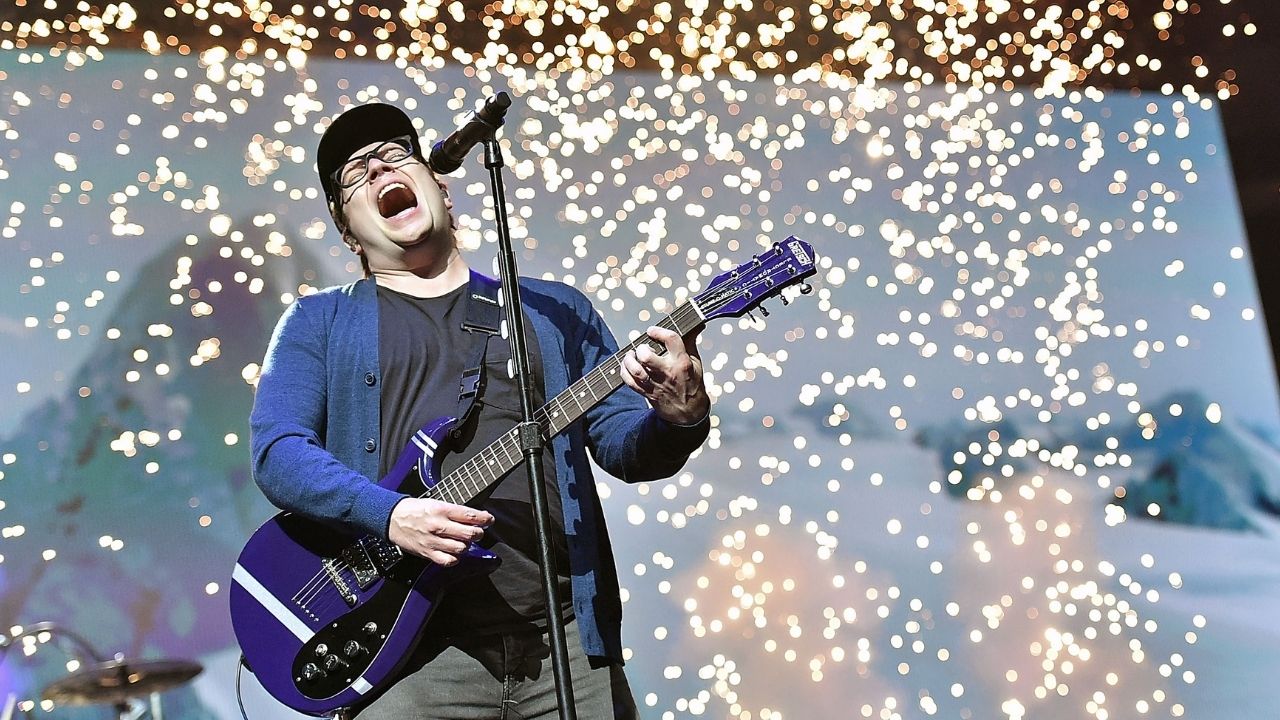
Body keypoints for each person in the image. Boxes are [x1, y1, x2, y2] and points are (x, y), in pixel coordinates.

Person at [249, 101, 711, 718]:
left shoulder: (551, 313)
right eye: (356, 174)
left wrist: (677, 419)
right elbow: (278, 454)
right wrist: (392, 516)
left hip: (564, 648)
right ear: (345, 226)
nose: (381, 171)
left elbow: (623, 448)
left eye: (395, 156)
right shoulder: (318, 322)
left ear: (438, 185)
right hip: (407, 664)